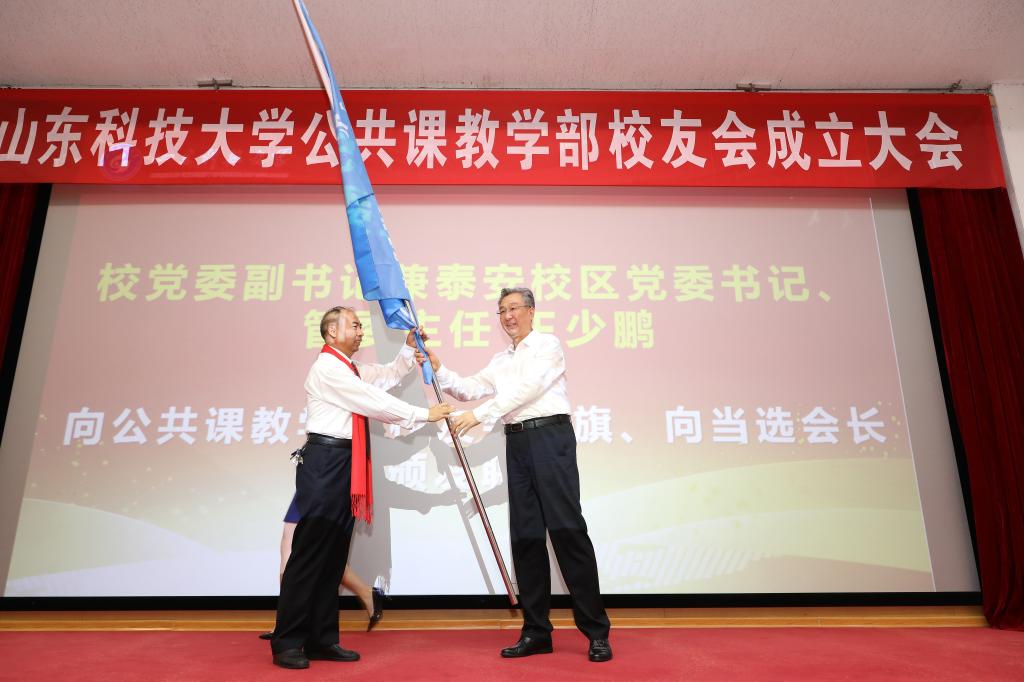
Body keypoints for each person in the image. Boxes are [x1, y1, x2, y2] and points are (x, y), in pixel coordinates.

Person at [421, 287, 612, 663]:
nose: (508, 316)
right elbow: (468, 388)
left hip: (550, 438)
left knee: (567, 532)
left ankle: (596, 632)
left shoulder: (547, 345)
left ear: (531, 311)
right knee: (526, 537)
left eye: (514, 308)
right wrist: (437, 365)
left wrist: (480, 415)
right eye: (502, 310)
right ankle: (536, 631)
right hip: (518, 443)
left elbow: (529, 389)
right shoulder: (500, 359)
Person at [270, 306, 452, 670]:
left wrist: (408, 348)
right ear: (331, 333)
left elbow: (385, 377)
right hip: (325, 463)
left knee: (333, 555)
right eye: (353, 325)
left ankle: (322, 639)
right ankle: (287, 641)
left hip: (346, 463)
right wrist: (422, 415)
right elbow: (371, 400)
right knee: (309, 554)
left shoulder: (350, 369)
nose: (360, 330)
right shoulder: (327, 369)